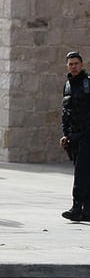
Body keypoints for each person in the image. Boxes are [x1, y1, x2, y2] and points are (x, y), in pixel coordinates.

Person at [60, 51, 90, 222]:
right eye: (70, 64)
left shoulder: (88, 84)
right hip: (74, 137)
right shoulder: (68, 86)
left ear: (82, 65)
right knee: (83, 173)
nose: (73, 66)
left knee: (81, 173)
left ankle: (77, 207)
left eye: (76, 63)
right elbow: (65, 113)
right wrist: (65, 135)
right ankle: (86, 210)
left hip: (87, 135)